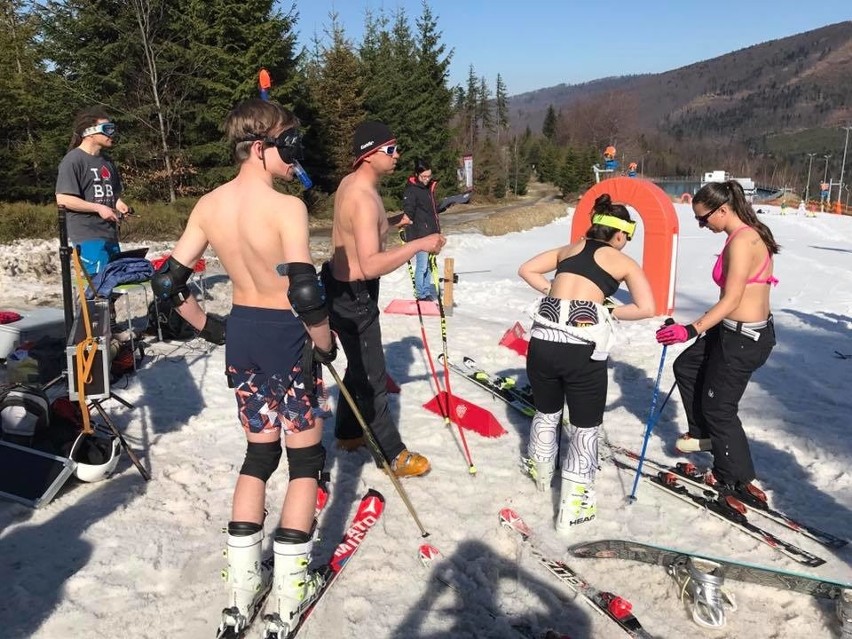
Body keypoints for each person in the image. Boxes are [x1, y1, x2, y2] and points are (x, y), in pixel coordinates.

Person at [151, 98, 335, 637]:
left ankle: (239, 589)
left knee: (258, 454)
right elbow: (305, 291)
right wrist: (323, 344)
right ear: (260, 147)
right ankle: (288, 597)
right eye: (288, 141)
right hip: (288, 338)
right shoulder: (287, 209)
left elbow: (167, 285)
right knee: (305, 462)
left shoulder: (209, 205)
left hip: (243, 337)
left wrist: (209, 326)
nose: (294, 152)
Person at [518, 194, 654, 532]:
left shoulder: (569, 249)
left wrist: (553, 290)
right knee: (584, 426)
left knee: (547, 413)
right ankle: (573, 507)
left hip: (542, 344)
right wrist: (608, 310)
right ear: (620, 235)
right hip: (581, 351)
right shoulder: (622, 262)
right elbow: (646, 307)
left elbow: (526, 269)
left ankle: (540, 473)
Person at [321, 121, 446, 477]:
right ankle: (392, 454)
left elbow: (362, 232)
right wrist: (419, 244)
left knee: (356, 367)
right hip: (355, 295)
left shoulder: (353, 184)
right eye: (391, 150)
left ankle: (347, 433)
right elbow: (370, 265)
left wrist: (393, 222)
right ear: (369, 154)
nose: (398, 155)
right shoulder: (362, 197)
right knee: (374, 379)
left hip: (338, 287)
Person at [657, 180, 778, 505]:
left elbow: (732, 298)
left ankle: (732, 479)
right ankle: (704, 435)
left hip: (743, 337)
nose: (702, 224)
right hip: (729, 330)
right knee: (687, 365)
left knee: (720, 408)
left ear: (723, 210)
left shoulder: (743, 241)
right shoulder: (742, 234)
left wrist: (690, 330)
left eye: (704, 218)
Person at [56, 107, 131, 275]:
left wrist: (119, 204)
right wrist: (98, 208)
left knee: (113, 284)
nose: (111, 134)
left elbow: (113, 193)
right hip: (87, 235)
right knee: (97, 288)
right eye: (106, 129)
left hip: (110, 234)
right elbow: (63, 199)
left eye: (112, 129)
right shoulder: (73, 160)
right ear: (89, 133)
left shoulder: (107, 161)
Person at [402, 158, 440, 301]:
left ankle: (425, 291)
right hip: (420, 233)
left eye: (429, 176)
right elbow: (409, 208)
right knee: (422, 265)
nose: (427, 179)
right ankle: (420, 294)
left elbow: (430, 210)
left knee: (429, 266)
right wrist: (406, 220)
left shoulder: (427, 189)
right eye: (424, 176)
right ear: (417, 175)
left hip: (430, 232)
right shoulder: (412, 190)